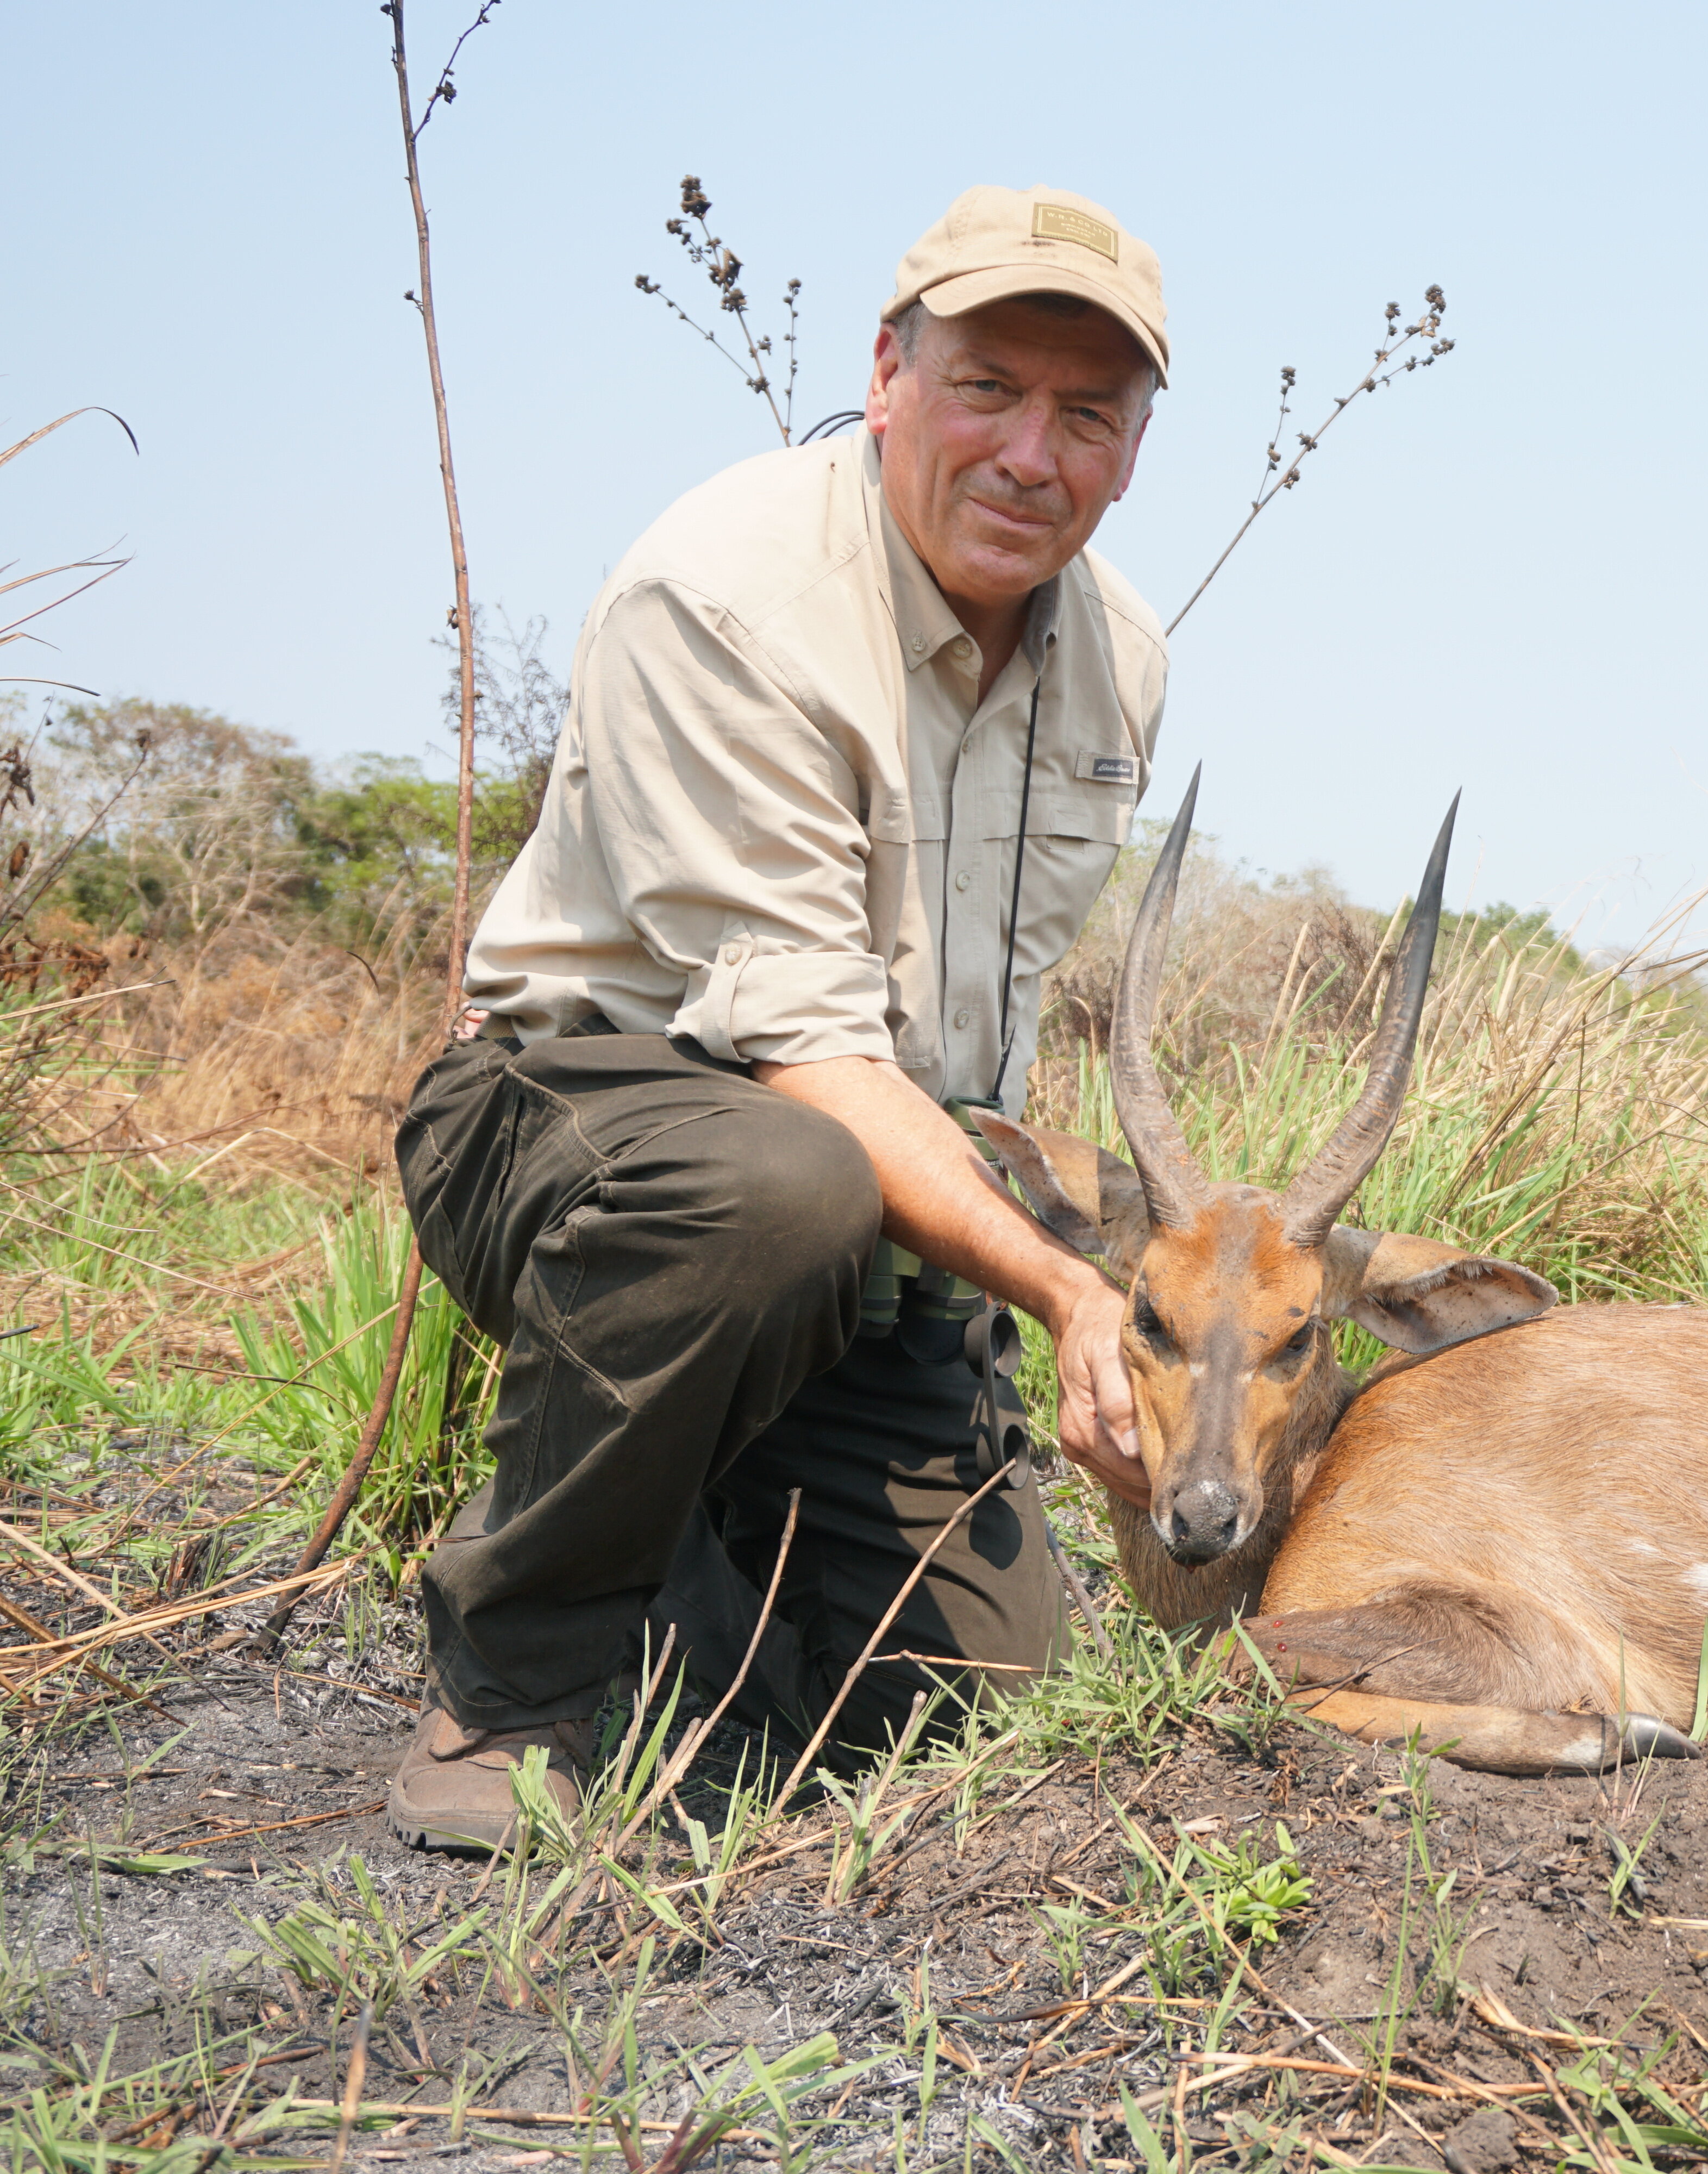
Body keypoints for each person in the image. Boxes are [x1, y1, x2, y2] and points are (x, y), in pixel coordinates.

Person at [384, 184, 1169, 1851]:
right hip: (584, 1120)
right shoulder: (727, 593)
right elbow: (809, 1062)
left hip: (865, 1195)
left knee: (973, 1707)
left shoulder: (1123, 663)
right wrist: (1055, 1292)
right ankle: (511, 1680)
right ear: (888, 374)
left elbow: (965, 1048)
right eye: (988, 390)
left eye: (1087, 416)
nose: (1033, 455)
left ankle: (693, 1553)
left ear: (1133, 448)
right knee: (772, 1192)